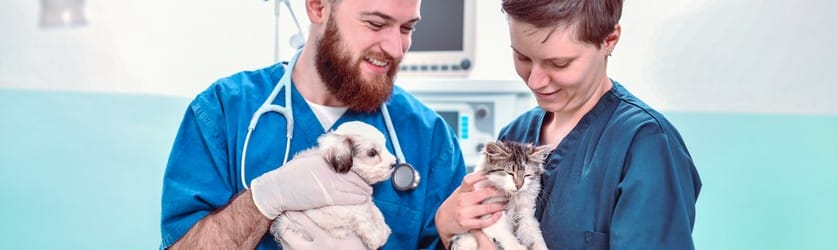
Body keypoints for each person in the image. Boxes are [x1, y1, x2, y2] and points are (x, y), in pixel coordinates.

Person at [159, 0, 466, 249]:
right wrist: (262, 201)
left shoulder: (431, 140)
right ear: (318, 6)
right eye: (376, 24)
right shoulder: (224, 112)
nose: (396, 49)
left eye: (407, 28)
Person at [435, 0, 703, 249]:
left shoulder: (645, 144)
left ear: (609, 40)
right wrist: (448, 230)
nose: (535, 81)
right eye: (523, 58)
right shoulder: (515, 135)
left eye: (559, 63)